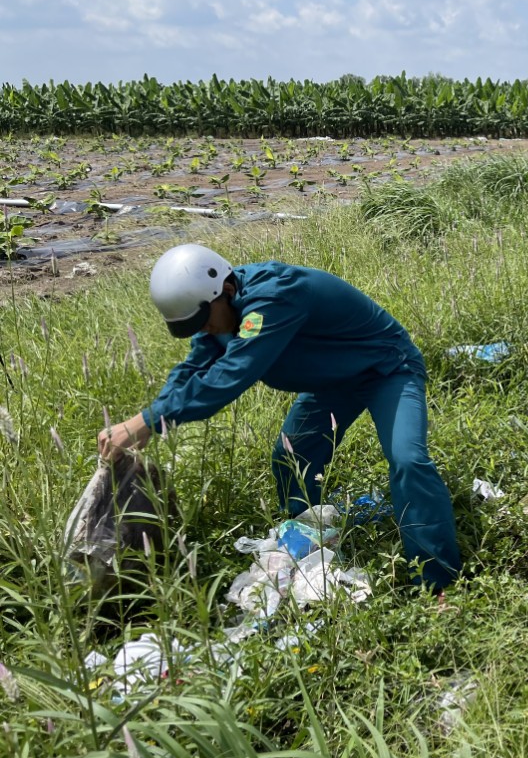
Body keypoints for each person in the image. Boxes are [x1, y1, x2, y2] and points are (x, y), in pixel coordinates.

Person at [98, 243, 461, 589]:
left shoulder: (274, 297)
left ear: (225, 289)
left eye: (203, 321)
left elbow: (230, 376)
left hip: (387, 367)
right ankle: (312, 546)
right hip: (335, 381)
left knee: (408, 459)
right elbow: (193, 368)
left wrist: (146, 421)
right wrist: (147, 420)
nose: (203, 330)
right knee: (292, 457)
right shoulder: (218, 314)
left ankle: (437, 581)